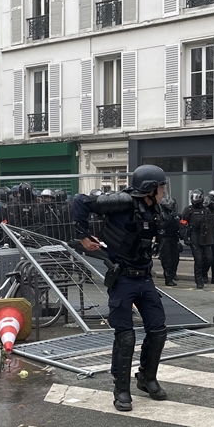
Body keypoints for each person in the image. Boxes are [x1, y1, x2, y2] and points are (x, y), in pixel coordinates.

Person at [73, 165, 170, 411]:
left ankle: (147, 378)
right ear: (150, 188)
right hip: (123, 278)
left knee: (158, 330)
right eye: (161, 186)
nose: (163, 191)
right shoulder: (123, 202)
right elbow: (80, 202)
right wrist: (84, 236)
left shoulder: (155, 209)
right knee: (125, 336)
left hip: (144, 277)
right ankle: (121, 390)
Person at [180, 189, 214, 289]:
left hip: (205, 235)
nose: (195, 199)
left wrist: (213, 236)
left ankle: (204, 273)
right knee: (198, 259)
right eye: (194, 197)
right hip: (194, 235)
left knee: (209, 258)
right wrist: (185, 237)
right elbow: (183, 223)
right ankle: (199, 280)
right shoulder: (189, 210)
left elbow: (211, 224)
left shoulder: (206, 210)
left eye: (197, 197)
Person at [158, 196, 182, 286]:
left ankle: (173, 274)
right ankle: (168, 278)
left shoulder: (175, 215)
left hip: (174, 238)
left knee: (175, 258)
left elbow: (179, 227)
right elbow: (160, 227)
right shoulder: (162, 215)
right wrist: (168, 220)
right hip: (165, 239)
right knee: (167, 259)